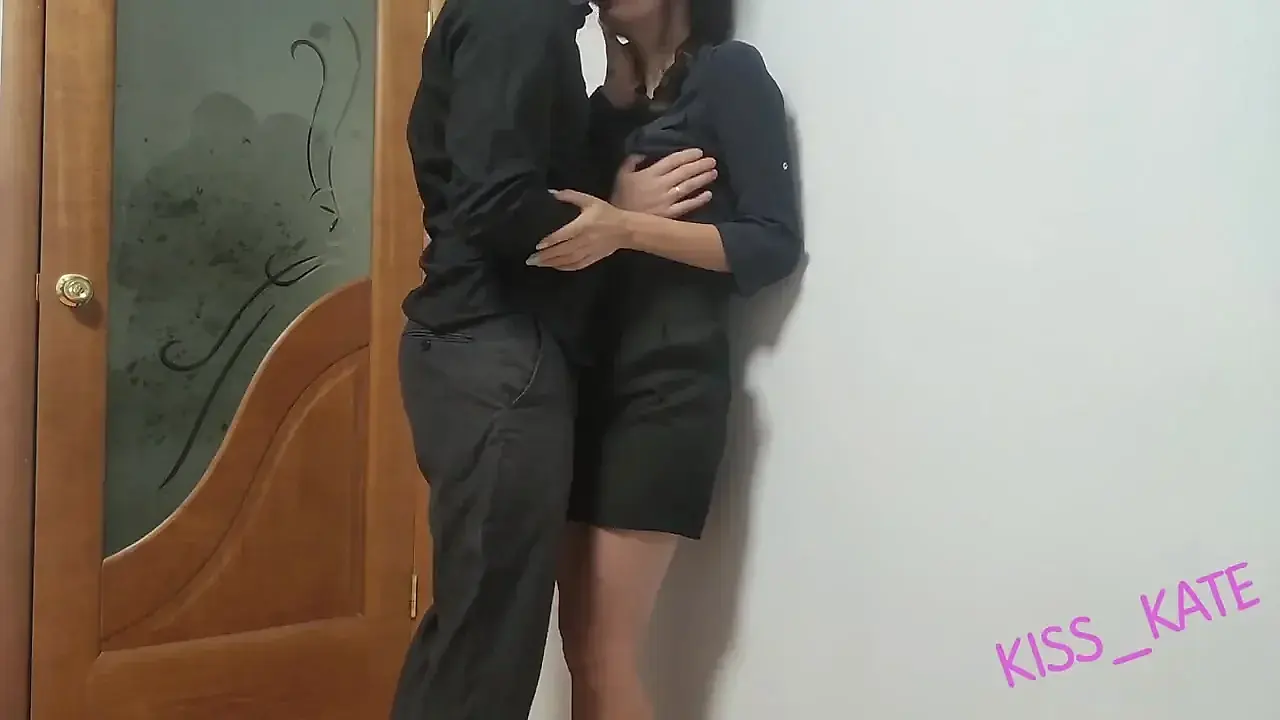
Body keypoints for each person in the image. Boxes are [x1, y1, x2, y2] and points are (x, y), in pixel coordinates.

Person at [391, 0, 719, 718]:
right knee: (485, 645)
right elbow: (496, 201)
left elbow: (492, 174)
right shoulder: (520, 13)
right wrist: (617, 214)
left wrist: (610, 108)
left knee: (475, 631)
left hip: (478, 344)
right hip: (497, 348)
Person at [527, 1, 803, 718]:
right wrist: (613, 124)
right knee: (580, 649)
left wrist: (627, 225)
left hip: (667, 388)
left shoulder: (728, 74)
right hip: (585, 388)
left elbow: (773, 242)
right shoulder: (606, 112)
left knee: (605, 652)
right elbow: (563, 243)